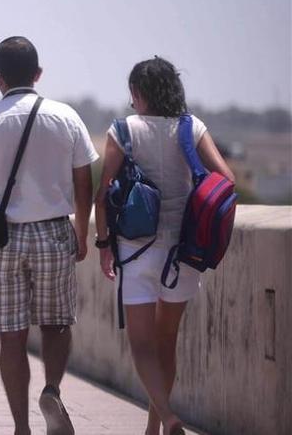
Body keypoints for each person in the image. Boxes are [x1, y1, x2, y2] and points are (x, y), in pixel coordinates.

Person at [0, 36, 98, 435]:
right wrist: (81, 233)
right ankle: (51, 388)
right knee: (56, 323)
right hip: (53, 232)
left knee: (11, 337)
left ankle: (21, 427)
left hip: (1, 239)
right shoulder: (65, 117)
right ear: (38, 74)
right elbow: (84, 183)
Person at [94, 57, 234, 435]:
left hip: (136, 248)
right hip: (184, 251)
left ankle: (168, 419)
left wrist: (104, 244)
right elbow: (226, 178)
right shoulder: (192, 128)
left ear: (138, 93)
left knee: (141, 344)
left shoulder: (123, 130)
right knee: (166, 341)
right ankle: (154, 427)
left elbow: (103, 191)